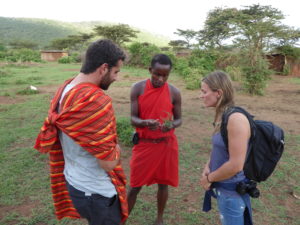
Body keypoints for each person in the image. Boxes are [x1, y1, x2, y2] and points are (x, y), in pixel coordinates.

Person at [34, 39, 128, 225]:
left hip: (74, 184)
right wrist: (117, 148)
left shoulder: (65, 88)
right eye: (116, 72)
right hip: (97, 192)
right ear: (103, 68)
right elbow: (108, 163)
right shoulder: (95, 100)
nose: (117, 78)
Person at [126, 54, 182, 225]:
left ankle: (159, 219)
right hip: (144, 145)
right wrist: (144, 122)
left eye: (165, 75)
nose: (160, 78)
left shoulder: (174, 92)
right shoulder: (138, 88)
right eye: (157, 74)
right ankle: (122, 220)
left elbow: (179, 119)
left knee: (163, 184)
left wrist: (171, 125)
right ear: (150, 70)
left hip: (166, 146)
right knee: (134, 186)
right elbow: (132, 118)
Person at [199, 71, 253, 225]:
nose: (201, 95)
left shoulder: (235, 119)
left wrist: (209, 179)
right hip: (223, 187)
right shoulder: (222, 115)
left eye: (204, 91)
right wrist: (208, 165)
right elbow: (221, 147)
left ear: (219, 93)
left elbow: (236, 165)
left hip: (232, 192)